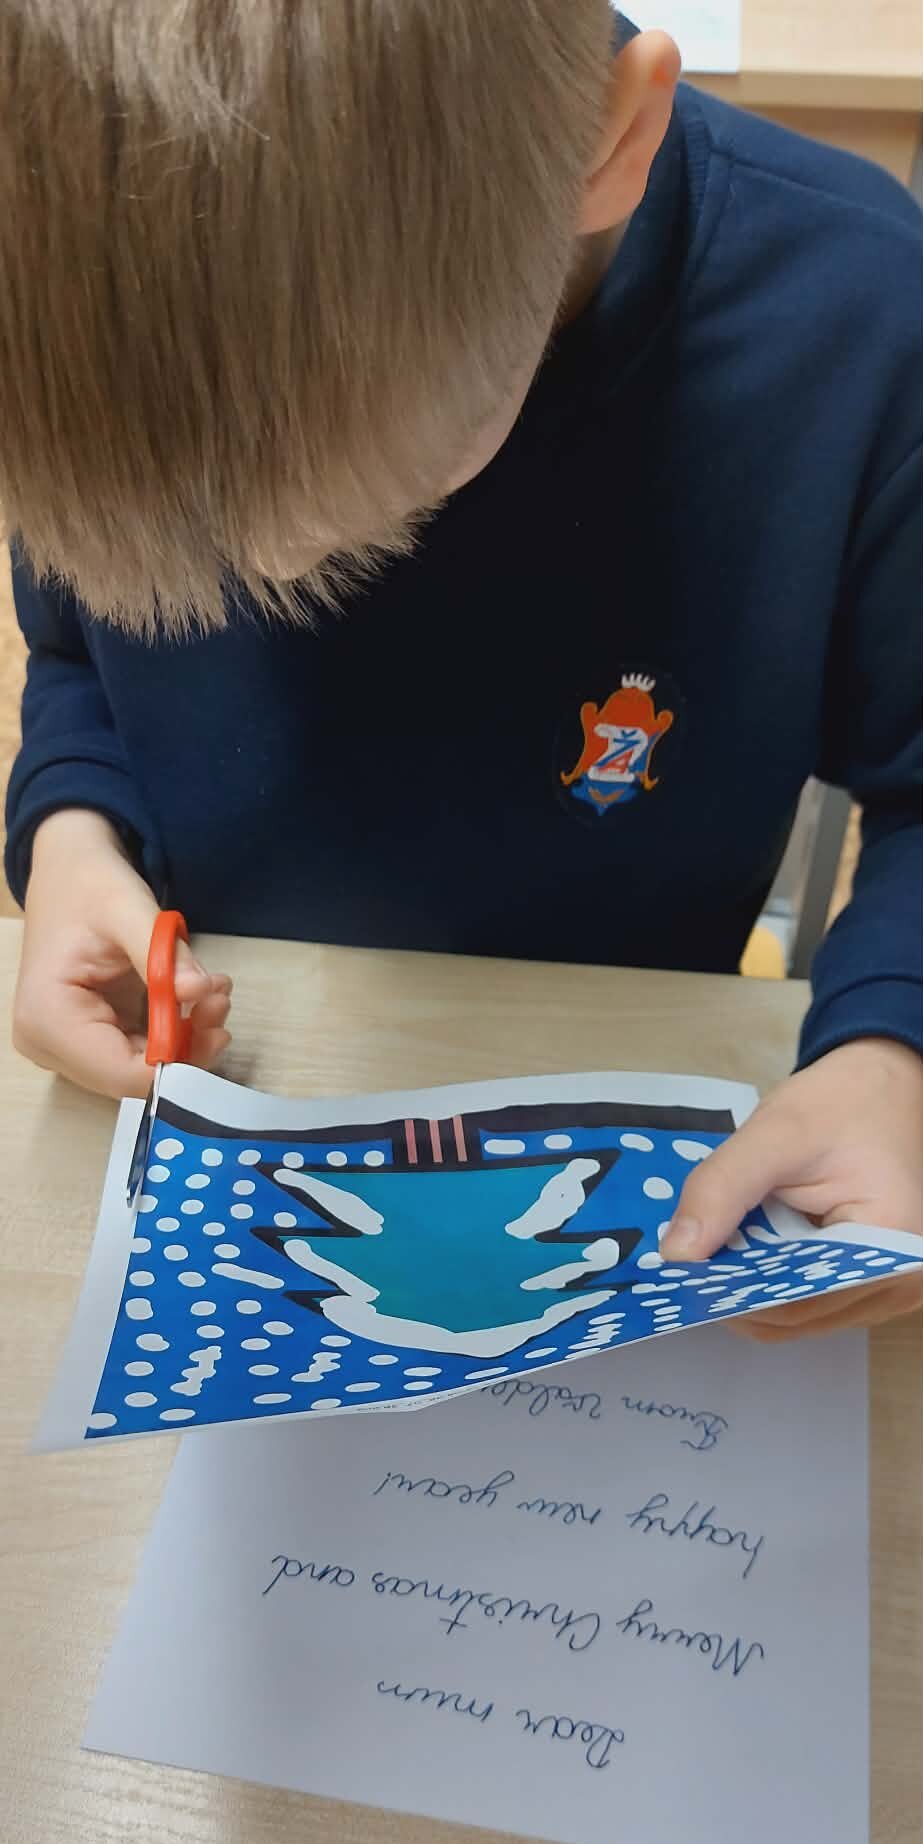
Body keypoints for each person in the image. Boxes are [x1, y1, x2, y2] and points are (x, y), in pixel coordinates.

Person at [1, 3, 920, 1337]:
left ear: (606, 142)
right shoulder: (73, 304)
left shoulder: (860, 325)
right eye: (163, 556)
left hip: (629, 1081)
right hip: (236, 1074)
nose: (246, 573)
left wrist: (895, 1048)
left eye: (348, 519)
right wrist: (76, 832)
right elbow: (76, 647)